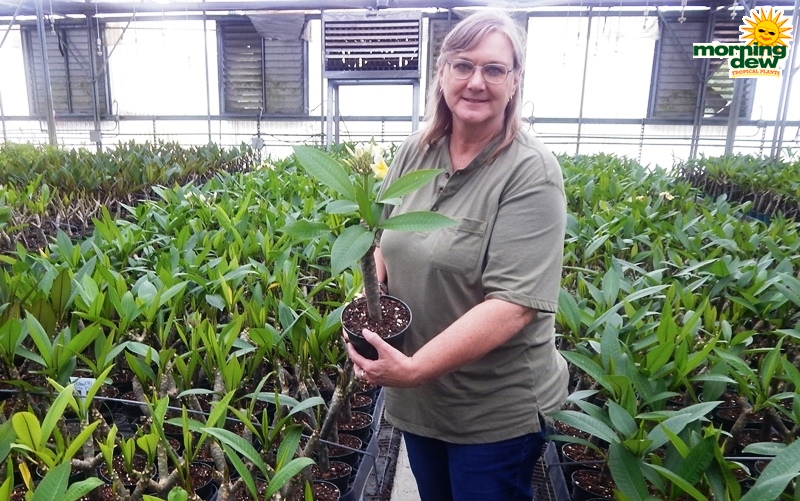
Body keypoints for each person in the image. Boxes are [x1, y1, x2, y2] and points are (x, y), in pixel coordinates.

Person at [346, 9, 569, 501]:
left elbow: (513, 306)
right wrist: (365, 312)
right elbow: (380, 240)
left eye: (494, 69)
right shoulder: (415, 151)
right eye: (463, 65)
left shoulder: (531, 172)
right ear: (442, 74)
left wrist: (415, 368)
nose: (476, 82)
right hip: (420, 401)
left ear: (514, 83)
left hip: (493, 412)